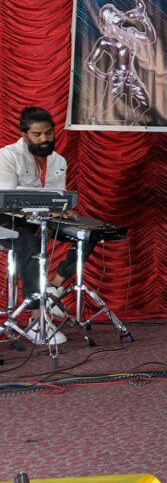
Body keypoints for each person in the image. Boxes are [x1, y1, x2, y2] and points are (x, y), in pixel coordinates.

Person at [0, 107, 99, 346]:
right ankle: (37, 319)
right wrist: (46, 210)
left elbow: (56, 198)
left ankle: (54, 287)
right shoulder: (7, 156)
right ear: (25, 135)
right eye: (37, 134)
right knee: (31, 244)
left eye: (48, 133)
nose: (44, 139)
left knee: (90, 232)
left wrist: (63, 211)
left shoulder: (58, 160)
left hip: (43, 218)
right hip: (8, 220)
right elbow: (7, 201)